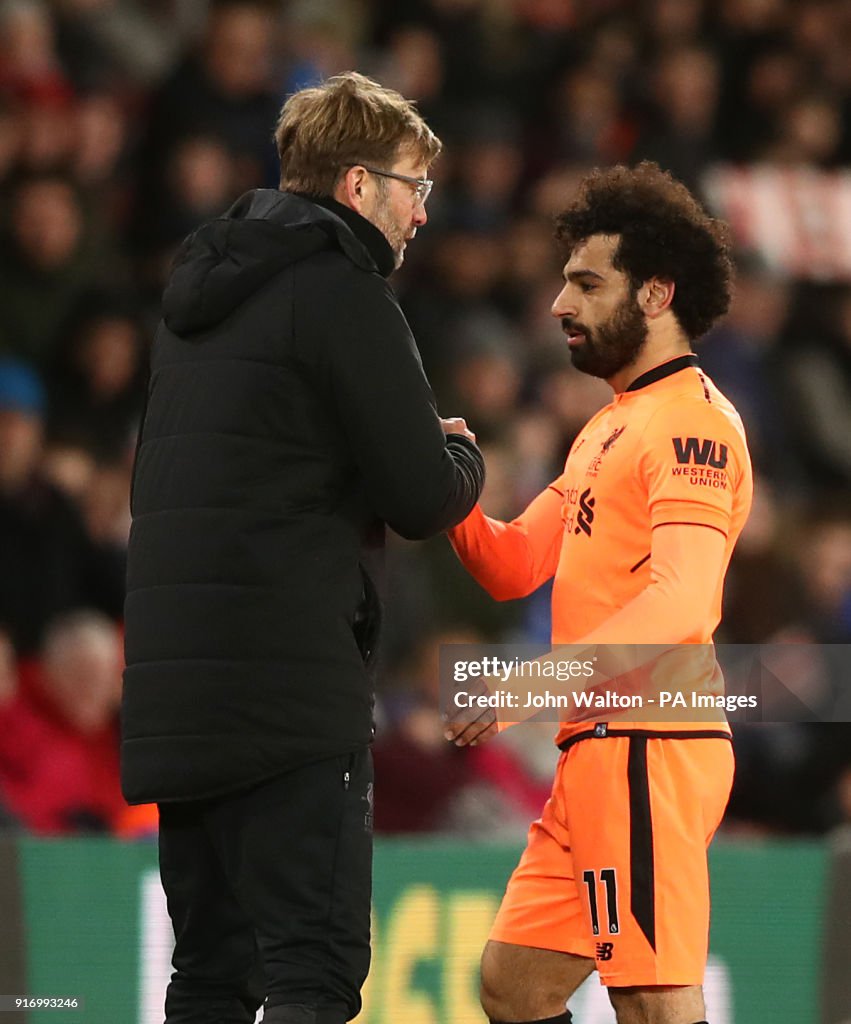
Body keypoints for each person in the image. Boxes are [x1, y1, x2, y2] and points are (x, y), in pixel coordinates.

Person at [120, 72, 485, 1024]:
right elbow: (419, 496)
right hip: (288, 697)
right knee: (314, 975)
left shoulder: (195, 301)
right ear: (359, 187)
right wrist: (460, 451)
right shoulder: (342, 291)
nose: (420, 216)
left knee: (206, 977)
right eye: (414, 189)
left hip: (178, 696)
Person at [444, 162, 752, 1024]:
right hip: (597, 747)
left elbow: (679, 601)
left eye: (585, 282)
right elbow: (511, 565)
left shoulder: (690, 421)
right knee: (515, 985)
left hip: (650, 741)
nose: (557, 304)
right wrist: (441, 488)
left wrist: (529, 687)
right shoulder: (608, 426)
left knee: (654, 1002)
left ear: (654, 295)